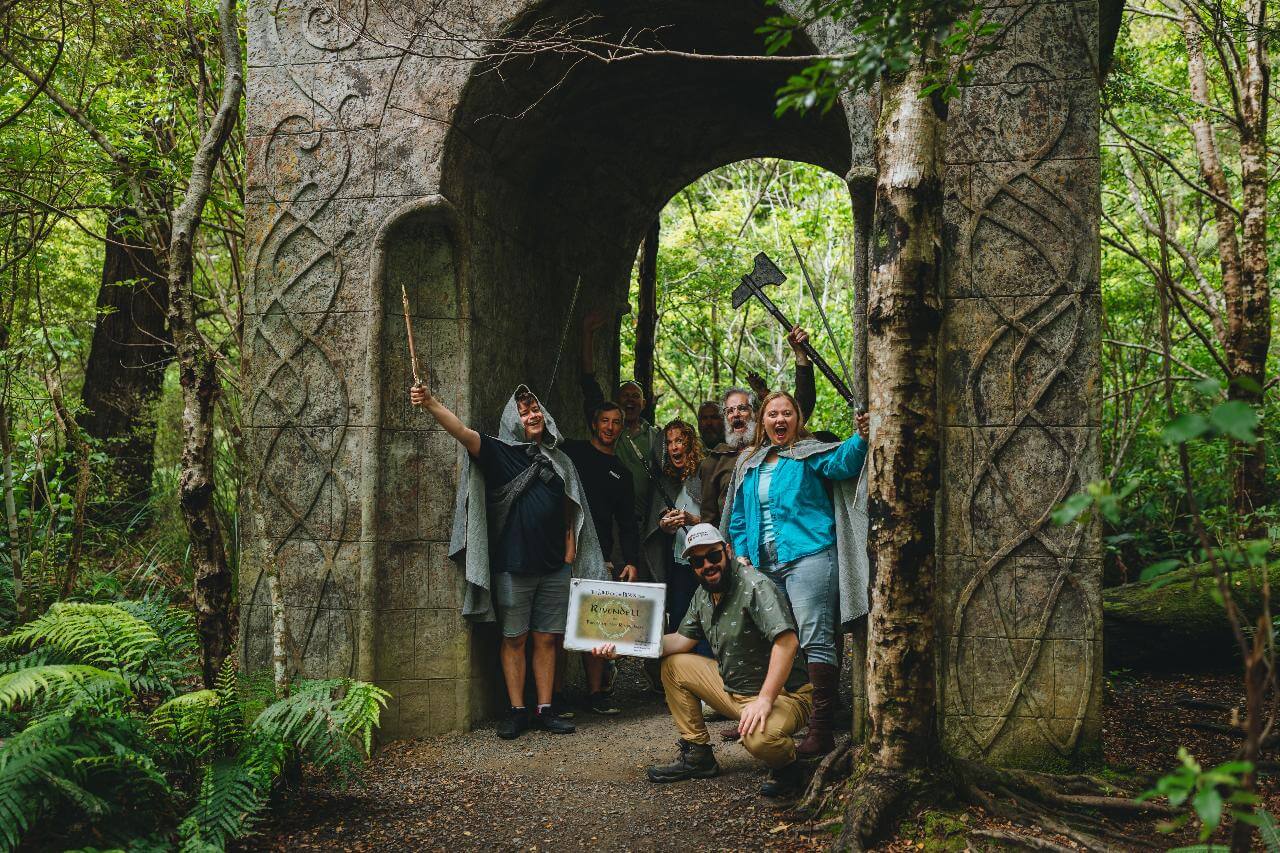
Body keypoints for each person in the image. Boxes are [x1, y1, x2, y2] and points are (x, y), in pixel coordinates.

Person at [412, 377, 607, 740]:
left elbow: (571, 509)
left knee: (548, 638)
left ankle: (545, 709)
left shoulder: (559, 459)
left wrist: (569, 549)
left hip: (554, 567)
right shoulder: (499, 452)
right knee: (514, 638)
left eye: (535, 409)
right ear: (512, 418)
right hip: (513, 565)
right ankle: (518, 711)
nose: (532, 414)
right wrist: (430, 402)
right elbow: (461, 431)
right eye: (524, 410)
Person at [592, 524, 813, 798]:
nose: (707, 565)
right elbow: (681, 642)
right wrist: (625, 647)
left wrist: (765, 699)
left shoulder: (755, 585)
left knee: (761, 740)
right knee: (674, 665)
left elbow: (787, 642)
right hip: (735, 690)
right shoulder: (703, 594)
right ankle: (698, 755)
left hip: (784, 695)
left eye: (713, 555)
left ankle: (790, 768)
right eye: (698, 561)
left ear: (727, 551)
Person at [723, 390, 870, 756]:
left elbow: (844, 463)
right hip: (763, 563)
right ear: (763, 421)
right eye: (772, 414)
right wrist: (741, 554)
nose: (779, 420)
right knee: (774, 638)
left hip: (810, 556)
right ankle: (765, 716)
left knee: (814, 637)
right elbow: (739, 518)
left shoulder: (808, 455)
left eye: (786, 413)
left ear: (796, 419)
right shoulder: (750, 463)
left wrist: (862, 437)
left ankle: (820, 729)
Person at [562, 401, 643, 715]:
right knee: (557, 626)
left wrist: (631, 561)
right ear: (594, 424)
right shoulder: (573, 452)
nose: (610, 427)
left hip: (601, 554)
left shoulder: (622, 473)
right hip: (565, 547)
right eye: (605, 421)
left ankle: (596, 694)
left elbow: (626, 523)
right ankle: (554, 699)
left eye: (616, 422)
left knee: (594, 624)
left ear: (622, 428)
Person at [700, 325, 818, 528]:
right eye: (730, 411)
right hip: (739, 551)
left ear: (756, 415)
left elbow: (801, 406)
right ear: (725, 419)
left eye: (742, 409)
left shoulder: (775, 442)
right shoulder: (713, 463)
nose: (736, 414)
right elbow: (710, 520)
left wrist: (801, 356)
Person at [580, 310, 662, 519]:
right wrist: (587, 335)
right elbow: (590, 384)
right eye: (625, 396)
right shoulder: (608, 429)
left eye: (636, 397)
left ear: (644, 404)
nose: (630, 400)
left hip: (644, 521)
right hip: (608, 516)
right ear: (617, 401)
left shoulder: (655, 437)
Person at [642, 419, 707, 654]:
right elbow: (658, 524)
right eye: (669, 442)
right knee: (679, 619)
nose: (674, 447)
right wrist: (665, 525)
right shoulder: (666, 479)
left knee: (708, 620)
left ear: (690, 442)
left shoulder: (706, 471)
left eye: (679, 440)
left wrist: (692, 520)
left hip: (707, 560)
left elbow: (721, 517)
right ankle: (679, 677)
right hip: (680, 562)